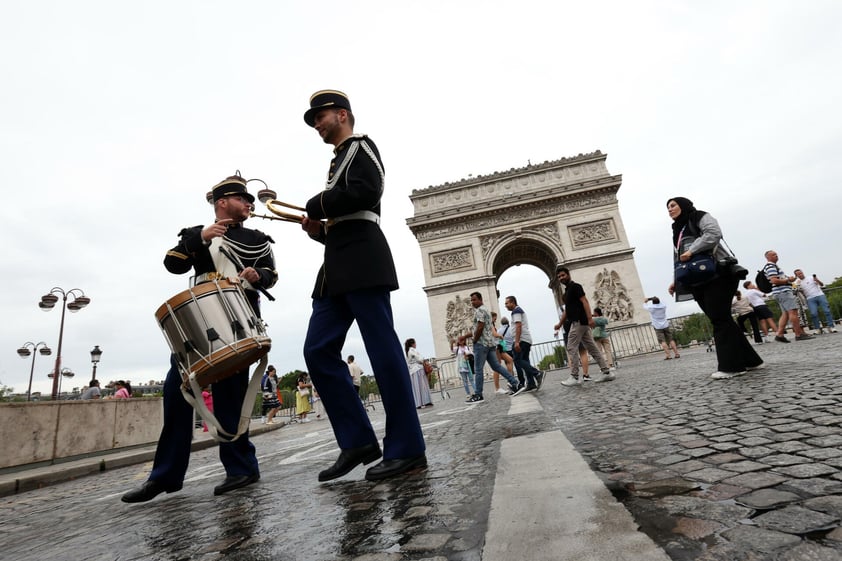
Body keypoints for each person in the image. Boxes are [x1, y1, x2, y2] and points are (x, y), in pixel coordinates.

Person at [122, 174, 277, 503]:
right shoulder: (196, 235)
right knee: (175, 394)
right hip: (199, 324)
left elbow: (271, 273)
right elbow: (172, 265)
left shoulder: (257, 238)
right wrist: (200, 239)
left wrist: (257, 275)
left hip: (237, 318)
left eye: (250, 199)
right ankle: (165, 476)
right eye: (242, 198)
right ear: (222, 202)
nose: (249, 204)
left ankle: (241, 468)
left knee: (230, 399)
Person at [300, 90, 426, 482]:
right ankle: (357, 441)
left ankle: (407, 448)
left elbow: (367, 193)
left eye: (321, 116)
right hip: (337, 264)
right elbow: (344, 214)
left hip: (362, 259)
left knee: (383, 351)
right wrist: (319, 230)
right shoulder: (338, 160)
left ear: (343, 114)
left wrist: (317, 204)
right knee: (317, 350)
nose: (317, 124)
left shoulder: (361, 147)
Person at [667, 197, 763, 379]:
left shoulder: (700, 216)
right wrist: (676, 280)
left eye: (673, 205)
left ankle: (732, 367)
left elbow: (713, 233)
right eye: (668, 207)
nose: (669, 210)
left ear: (684, 205)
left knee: (719, 319)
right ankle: (752, 361)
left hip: (718, 273)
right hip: (696, 279)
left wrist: (692, 250)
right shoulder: (677, 229)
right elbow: (679, 257)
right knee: (722, 318)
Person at [459, 291, 523, 403]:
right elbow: (479, 328)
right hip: (490, 344)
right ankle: (515, 383)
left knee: (478, 369)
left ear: (480, 299)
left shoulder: (479, 311)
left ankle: (478, 394)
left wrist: (474, 340)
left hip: (481, 344)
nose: (472, 302)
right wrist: (465, 336)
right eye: (471, 300)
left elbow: (480, 327)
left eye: (474, 300)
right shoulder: (486, 310)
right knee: (497, 367)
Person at [555, 267, 615, 385]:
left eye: (563, 275)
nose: (561, 278)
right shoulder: (567, 292)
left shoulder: (576, 287)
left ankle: (574, 376)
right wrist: (560, 324)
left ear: (568, 274)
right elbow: (567, 311)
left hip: (579, 322)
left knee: (571, 347)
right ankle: (606, 372)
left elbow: (585, 301)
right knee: (592, 348)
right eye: (559, 277)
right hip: (579, 323)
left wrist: (589, 318)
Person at [763, 250, 813, 343]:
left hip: (779, 292)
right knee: (793, 312)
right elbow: (774, 280)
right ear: (768, 257)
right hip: (783, 291)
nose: (776, 256)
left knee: (785, 314)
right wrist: (788, 280)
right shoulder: (771, 266)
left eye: (776, 254)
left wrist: (788, 280)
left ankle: (780, 334)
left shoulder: (772, 266)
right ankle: (799, 334)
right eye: (773, 255)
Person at [504, 296, 545, 394]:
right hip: (525, 339)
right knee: (525, 360)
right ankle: (531, 383)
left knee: (517, 360)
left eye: (507, 303)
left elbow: (518, 325)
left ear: (513, 303)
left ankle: (537, 373)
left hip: (521, 340)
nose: (505, 306)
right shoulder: (518, 311)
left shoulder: (516, 311)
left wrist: (517, 342)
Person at [794, 269, 837, 334]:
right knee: (813, 314)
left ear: (803, 272)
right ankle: (818, 329)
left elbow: (822, 284)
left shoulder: (811, 277)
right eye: (798, 274)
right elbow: (799, 292)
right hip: (810, 298)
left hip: (820, 295)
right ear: (796, 275)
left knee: (827, 311)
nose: (801, 274)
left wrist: (817, 280)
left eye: (801, 273)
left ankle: (831, 327)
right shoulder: (797, 283)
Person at [490, 312, 515, 392]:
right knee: (497, 366)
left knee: (509, 360)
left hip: (498, 347)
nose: (495, 320)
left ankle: (510, 382)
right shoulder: (490, 324)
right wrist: (499, 336)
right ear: (492, 317)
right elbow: (493, 334)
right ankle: (497, 388)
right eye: (495, 318)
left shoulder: (492, 324)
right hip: (496, 347)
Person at [405, 338, 433, 409]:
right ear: (412, 344)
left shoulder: (408, 351)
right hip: (418, 369)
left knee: (417, 387)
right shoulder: (412, 350)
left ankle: (420, 402)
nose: (416, 344)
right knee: (422, 386)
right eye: (415, 343)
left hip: (413, 370)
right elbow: (420, 359)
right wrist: (424, 360)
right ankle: (424, 401)